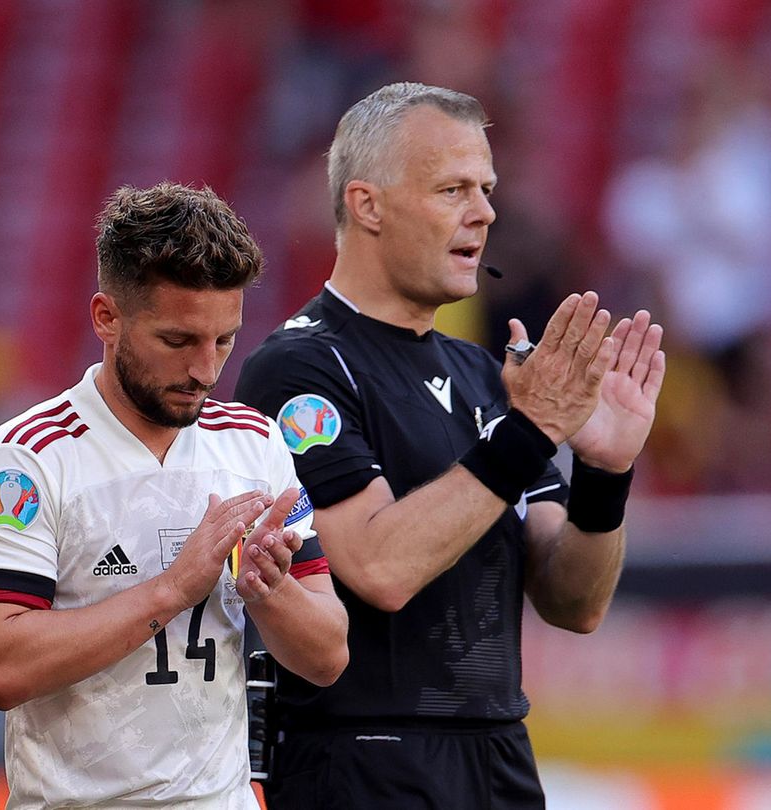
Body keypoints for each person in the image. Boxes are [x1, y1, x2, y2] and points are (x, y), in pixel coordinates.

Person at [234, 82, 665, 809]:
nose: (485, 212)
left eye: (486, 189)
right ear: (368, 205)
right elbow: (379, 568)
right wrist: (528, 432)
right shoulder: (301, 368)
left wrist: (604, 471)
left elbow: (575, 604)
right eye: (453, 189)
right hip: (364, 759)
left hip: (498, 754)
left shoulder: (485, 375)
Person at [0, 182, 350, 809]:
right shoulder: (25, 459)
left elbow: (328, 654)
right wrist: (172, 589)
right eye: (177, 341)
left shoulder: (255, 445)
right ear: (106, 318)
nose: (206, 370)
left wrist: (269, 590)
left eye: (224, 340)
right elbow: (1, 667)